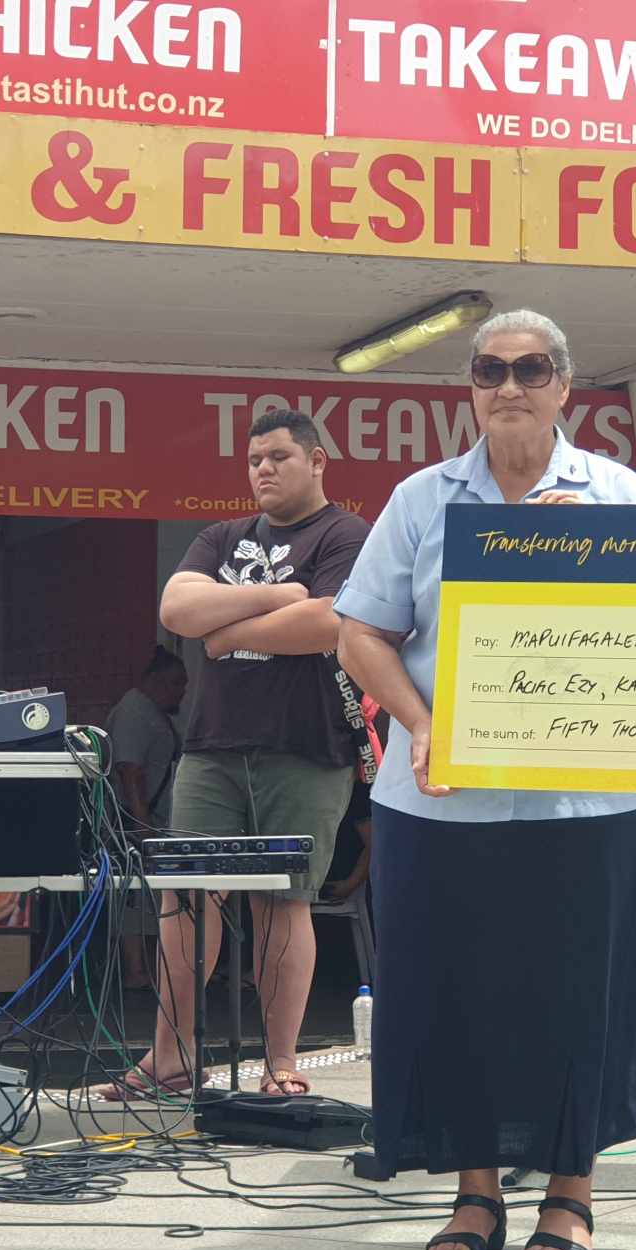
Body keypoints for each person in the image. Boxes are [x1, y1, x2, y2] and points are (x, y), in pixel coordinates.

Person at [332, 310, 636, 1250]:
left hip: (591, 801)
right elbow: (361, 633)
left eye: (531, 369)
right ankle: (473, 1192)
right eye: (490, 370)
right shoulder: (420, 499)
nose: (510, 386)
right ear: (470, 387)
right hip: (444, 799)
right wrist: (422, 724)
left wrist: (594, 561)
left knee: (583, 993)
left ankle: (571, 1194)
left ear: (565, 385)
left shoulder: (622, 498)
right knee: (456, 991)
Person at [103, 409, 370, 1101]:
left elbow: (330, 622)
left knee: (284, 902)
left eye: (279, 456)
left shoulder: (346, 534)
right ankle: (169, 1059)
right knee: (187, 898)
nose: (263, 470)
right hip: (212, 749)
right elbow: (178, 611)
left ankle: (280, 1065)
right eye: (254, 460)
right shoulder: (221, 535)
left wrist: (226, 632)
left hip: (307, 747)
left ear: (316, 461)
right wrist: (280, 595)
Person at [107, 646, 189, 989]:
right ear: (155, 680)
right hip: (136, 822)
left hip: (150, 820)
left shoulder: (152, 713)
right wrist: (143, 826)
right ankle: (135, 970)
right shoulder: (135, 713)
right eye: (176, 683)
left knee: (148, 897)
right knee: (135, 896)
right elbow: (130, 771)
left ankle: (148, 967)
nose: (181, 691)